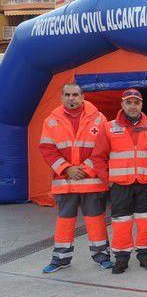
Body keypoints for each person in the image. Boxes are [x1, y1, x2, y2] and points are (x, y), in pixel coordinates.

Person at [39, 83, 112, 273]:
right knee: (64, 222)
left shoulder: (99, 118)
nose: (72, 98)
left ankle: (102, 256)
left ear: (83, 96)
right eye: (67, 95)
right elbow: (47, 149)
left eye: (75, 95)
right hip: (66, 182)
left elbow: (104, 148)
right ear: (62, 97)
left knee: (96, 220)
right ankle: (60, 259)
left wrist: (86, 169)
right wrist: (67, 169)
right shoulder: (51, 121)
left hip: (92, 182)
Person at [92, 89, 147, 274]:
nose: (132, 106)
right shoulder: (108, 127)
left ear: (141, 105)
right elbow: (98, 157)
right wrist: (108, 180)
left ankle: (146, 256)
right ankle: (121, 259)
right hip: (119, 185)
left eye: (136, 102)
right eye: (128, 102)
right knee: (120, 222)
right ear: (122, 105)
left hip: (145, 183)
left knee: (146, 221)